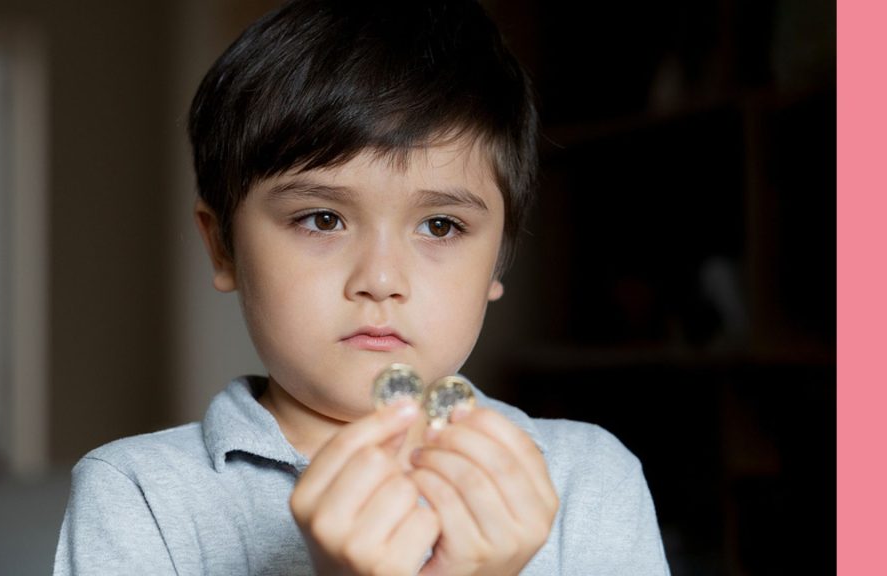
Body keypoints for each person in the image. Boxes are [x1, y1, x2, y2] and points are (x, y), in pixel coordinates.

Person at [54, 1, 670, 574]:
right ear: (222, 246)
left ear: (498, 260)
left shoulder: (588, 480)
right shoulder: (137, 495)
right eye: (322, 219)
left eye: (440, 225)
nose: (380, 281)